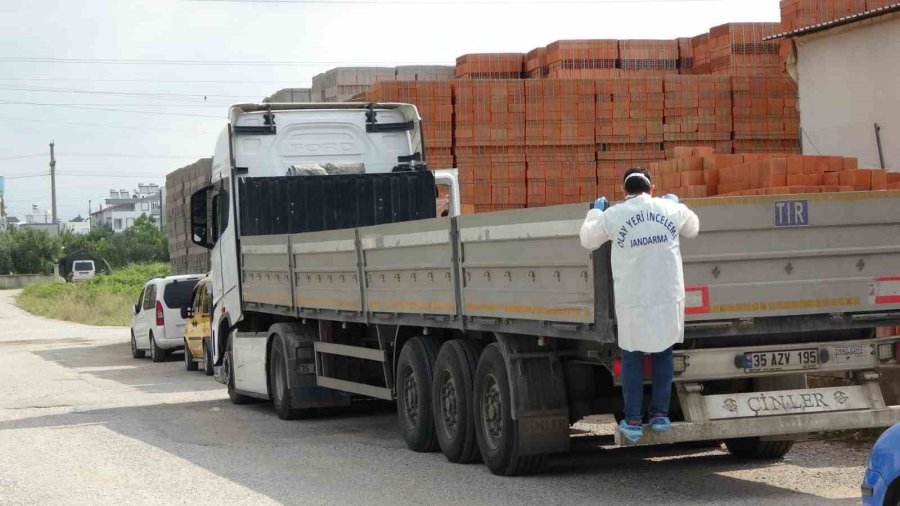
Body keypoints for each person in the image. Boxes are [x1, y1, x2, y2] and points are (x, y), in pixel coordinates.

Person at [579, 168, 700, 443]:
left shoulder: (615, 214)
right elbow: (693, 229)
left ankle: (632, 419)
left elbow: (588, 239)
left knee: (632, 356)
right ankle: (659, 415)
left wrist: (596, 212)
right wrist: (678, 204)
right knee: (663, 354)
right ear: (652, 189)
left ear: (624, 192)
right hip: (666, 297)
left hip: (633, 300)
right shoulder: (668, 209)